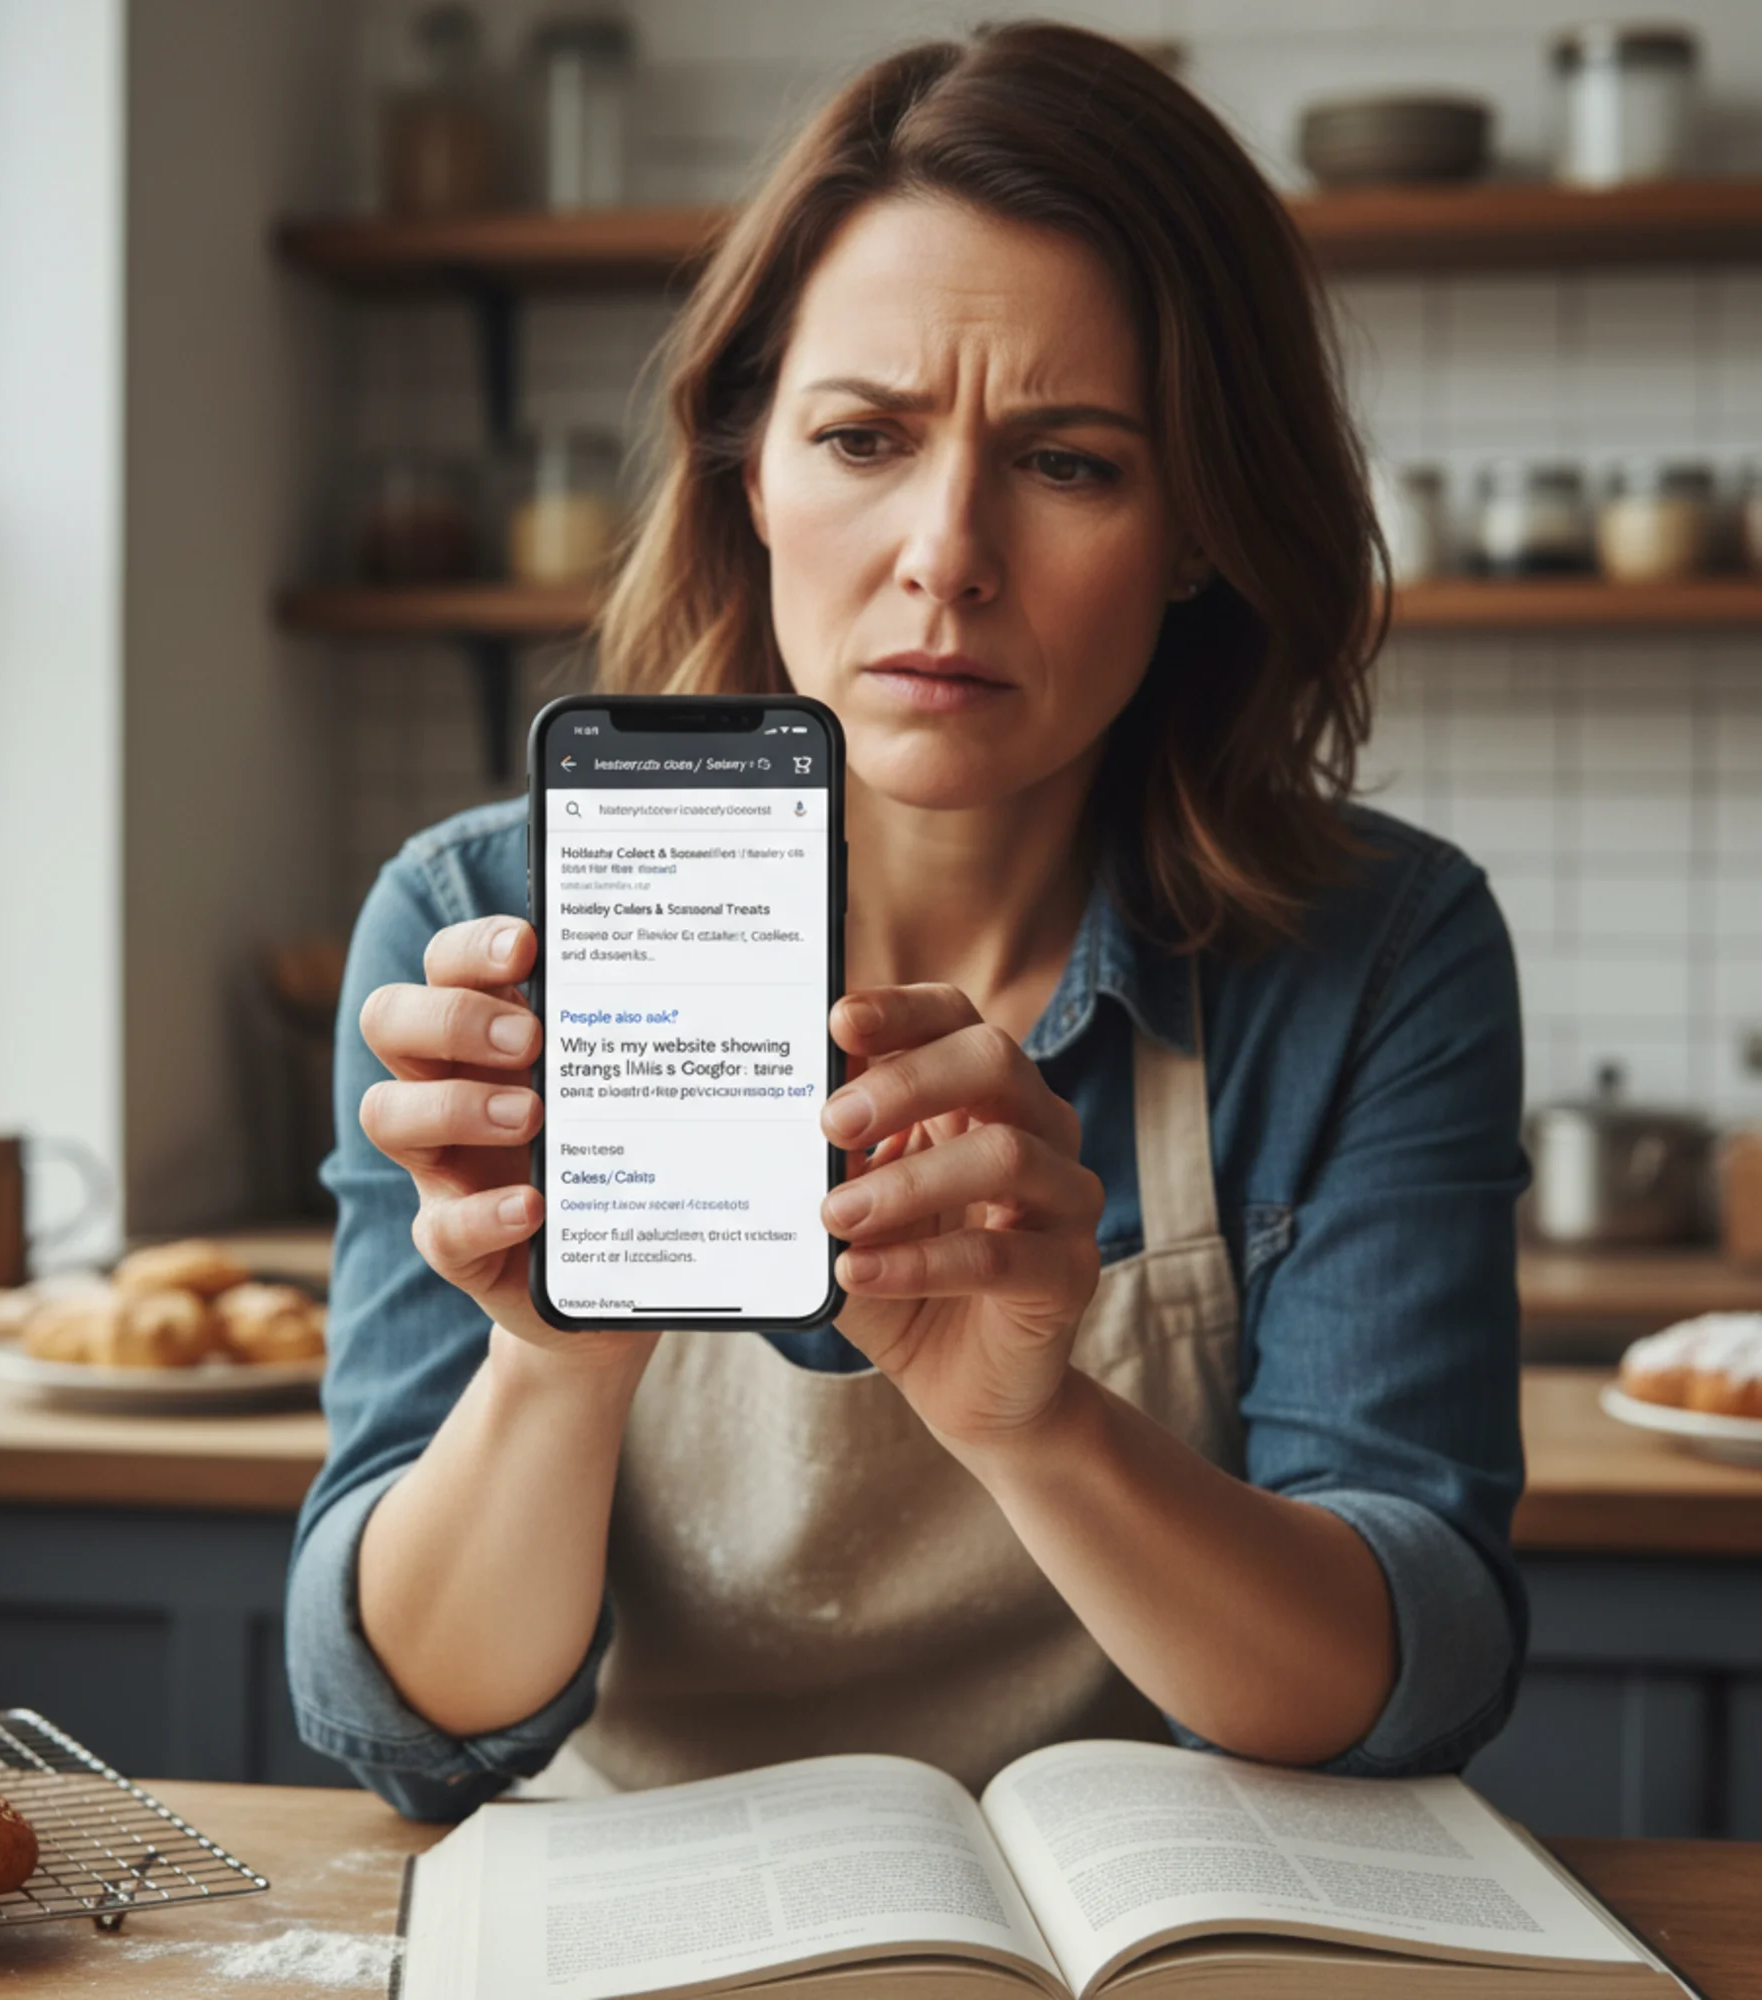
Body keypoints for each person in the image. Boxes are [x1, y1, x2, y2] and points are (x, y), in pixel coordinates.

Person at [287, 22, 1527, 1820]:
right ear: (750, 470)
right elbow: (399, 1724)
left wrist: (1036, 1419)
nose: (946, 551)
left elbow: (1415, 1681)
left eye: (1072, 463)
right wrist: (552, 1367)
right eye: (865, 437)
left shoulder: (1378, 956)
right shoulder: (478, 923)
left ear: (1198, 527)